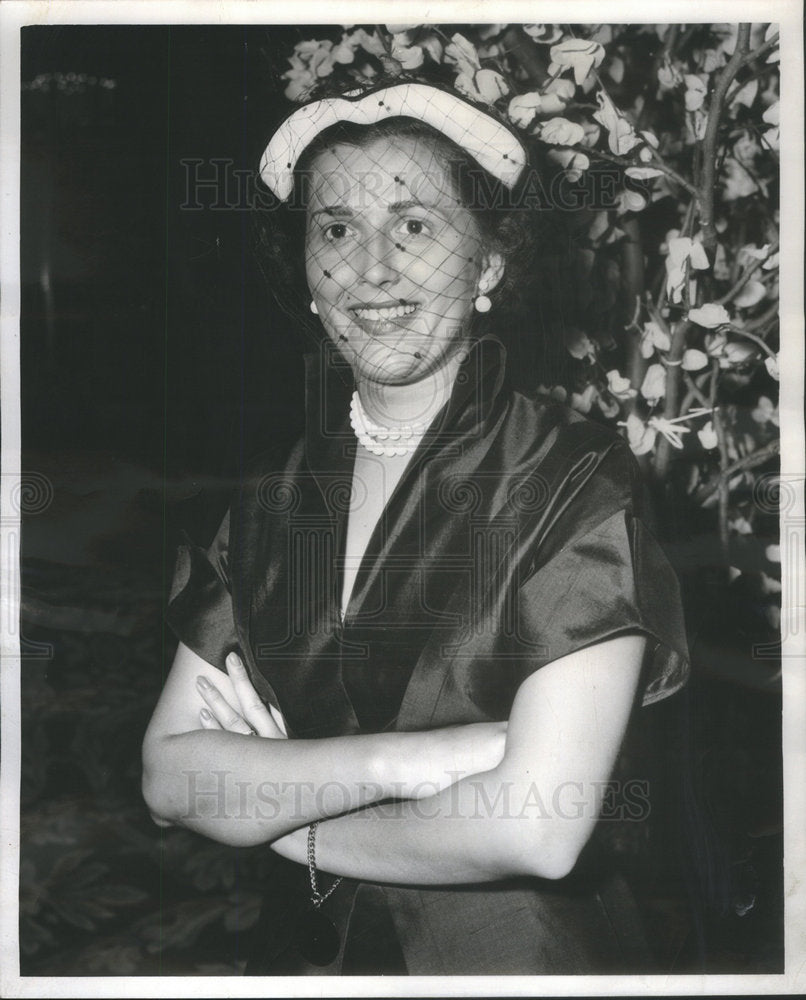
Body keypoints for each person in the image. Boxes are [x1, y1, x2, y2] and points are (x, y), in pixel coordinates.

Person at [142, 80, 690, 976]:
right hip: (308, 961)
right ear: (310, 284)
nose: (373, 271)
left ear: (489, 265)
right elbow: (170, 780)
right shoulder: (273, 499)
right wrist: (420, 760)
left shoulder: (573, 478)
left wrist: (289, 820)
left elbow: (538, 826)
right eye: (336, 231)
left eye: (415, 226)